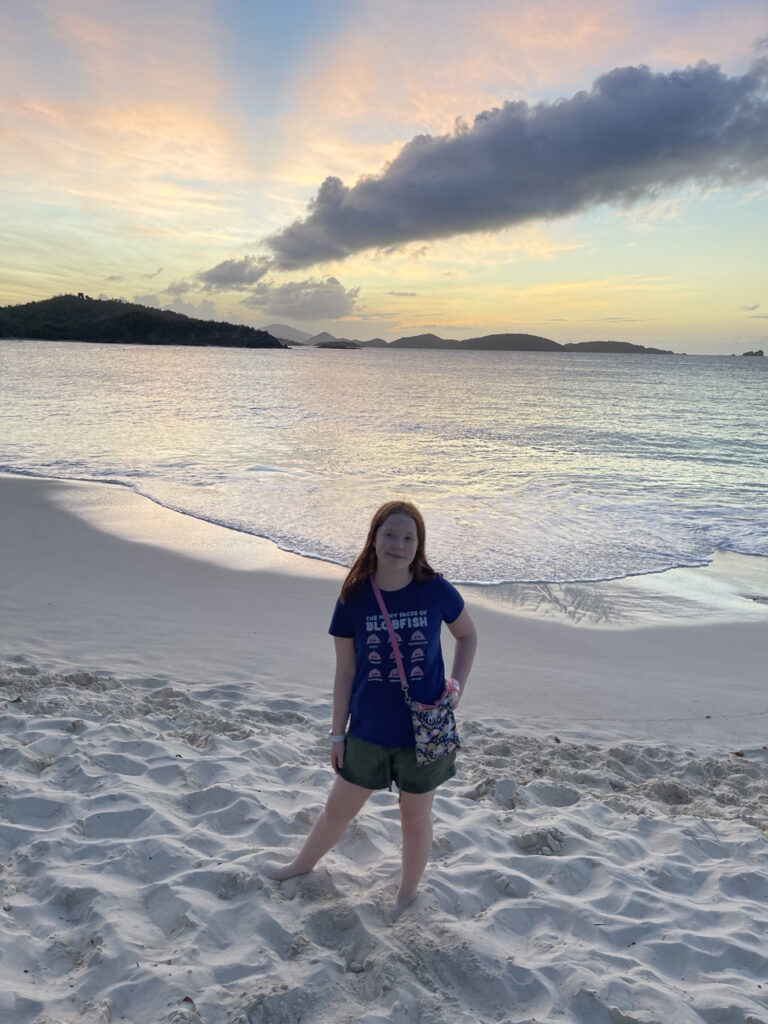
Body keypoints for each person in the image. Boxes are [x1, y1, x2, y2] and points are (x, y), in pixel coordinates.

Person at [269, 500, 478, 920]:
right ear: (374, 538)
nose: (398, 545)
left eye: (408, 538)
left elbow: (468, 636)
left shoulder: (435, 589)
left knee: (415, 819)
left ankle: (406, 893)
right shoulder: (355, 597)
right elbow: (345, 673)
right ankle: (301, 866)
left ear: (419, 545)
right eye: (390, 535)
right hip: (367, 728)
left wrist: (456, 685)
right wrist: (336, 734)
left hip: (426, 730)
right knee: (337, 809)